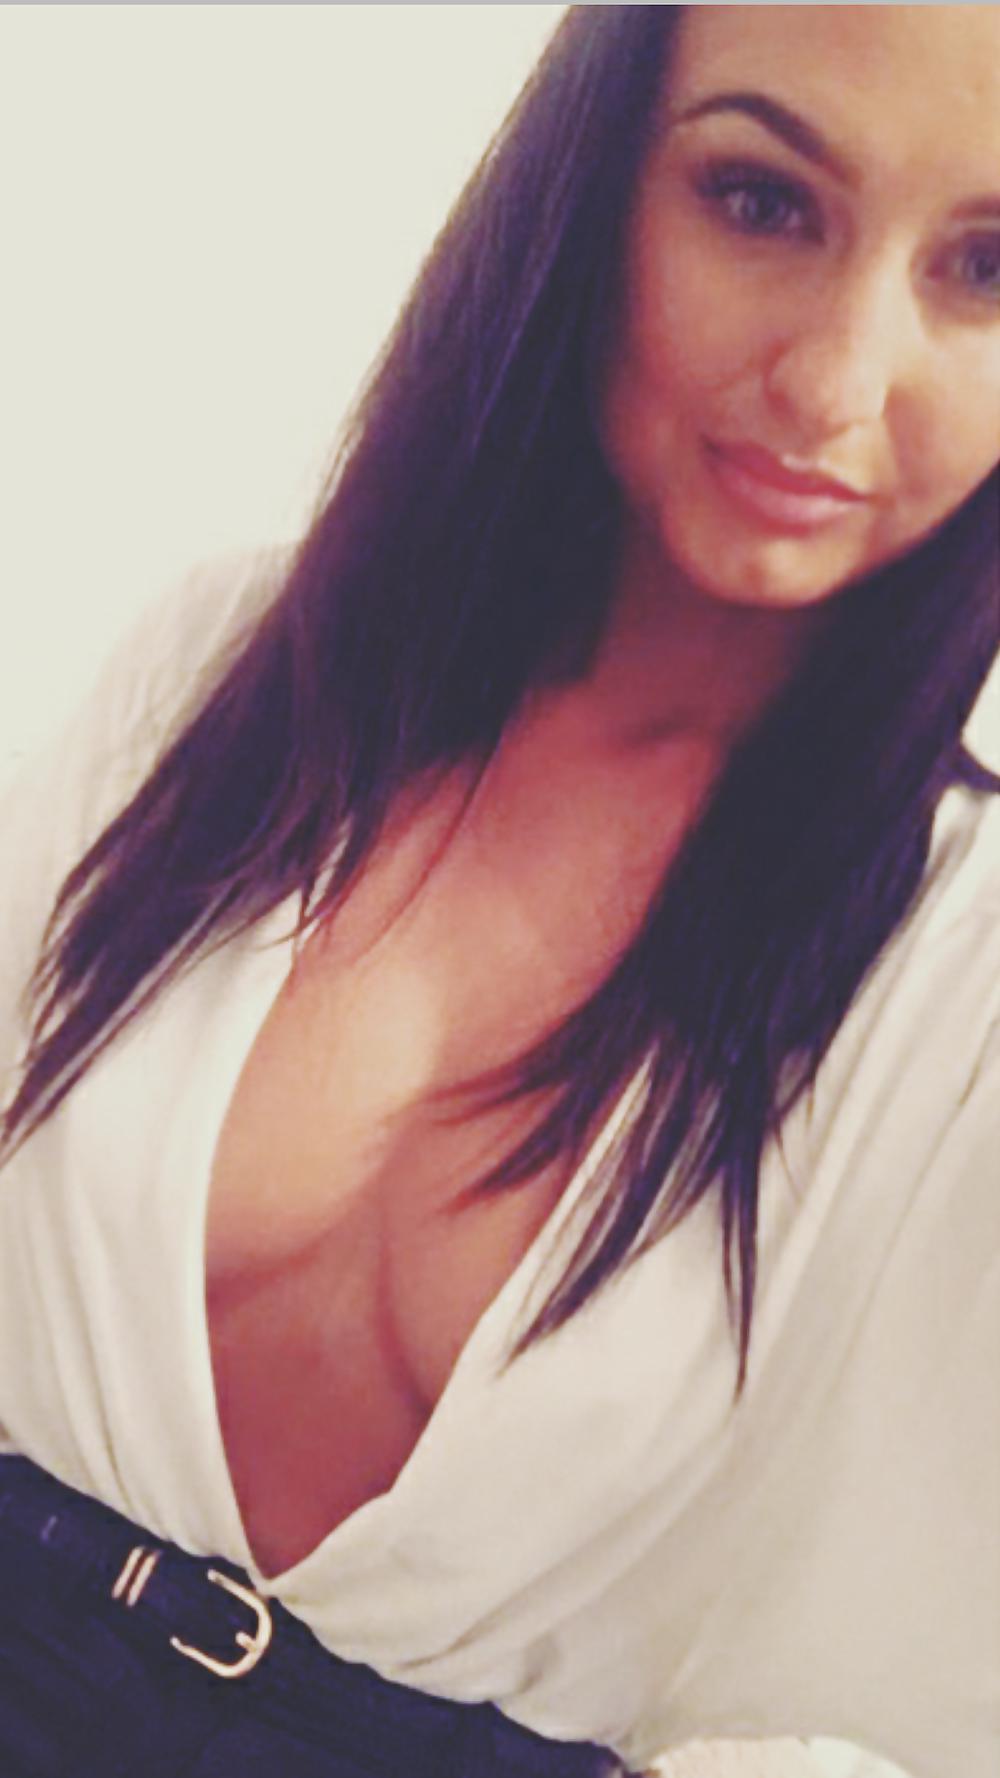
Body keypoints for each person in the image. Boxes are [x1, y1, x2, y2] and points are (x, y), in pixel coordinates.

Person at [0, 5, 998, 1776]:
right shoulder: (227, 663)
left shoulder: (962, 974)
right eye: (761, 201)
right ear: (594, 177)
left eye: (988, 269)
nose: (839, 380)